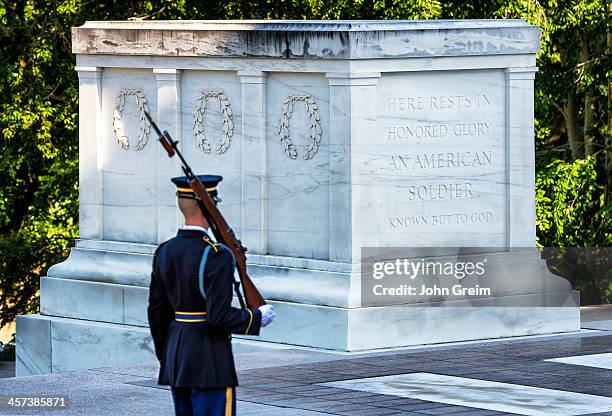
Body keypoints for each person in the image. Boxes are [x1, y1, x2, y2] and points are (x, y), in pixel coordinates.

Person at [148, 174, 275, 416]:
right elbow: (218, 317)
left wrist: (167, 356)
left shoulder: (164, 251)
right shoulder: (217, 254)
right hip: (210, 360)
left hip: (177, 358)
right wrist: (255, 317)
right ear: (210, 205)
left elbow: (156, 312)